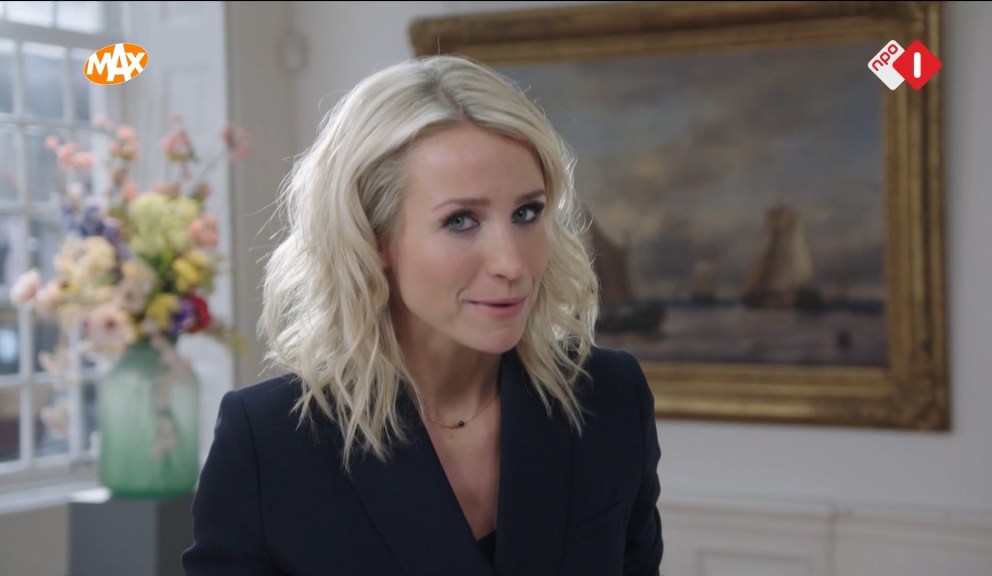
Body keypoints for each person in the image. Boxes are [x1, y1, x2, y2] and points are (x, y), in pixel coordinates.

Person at [182, 54, 663, 576]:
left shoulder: (610, 397)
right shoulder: (268, 443)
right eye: (461, 220)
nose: (512, 263)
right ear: (374, 239)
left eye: (526, 213)